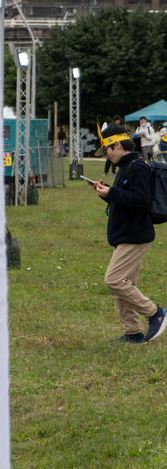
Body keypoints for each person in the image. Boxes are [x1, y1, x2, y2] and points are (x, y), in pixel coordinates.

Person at [92, 126, 166, 343]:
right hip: (124, 234)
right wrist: (106, 194)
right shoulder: (124, 168)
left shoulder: (137, 168)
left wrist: (112, 192)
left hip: (135, 235)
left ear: (116, 145)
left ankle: (156, 314)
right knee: (124, 286)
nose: (106, 155)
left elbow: (141, 200)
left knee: (114, 280)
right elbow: (125, 199)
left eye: (106, 150)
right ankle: (132, 332)